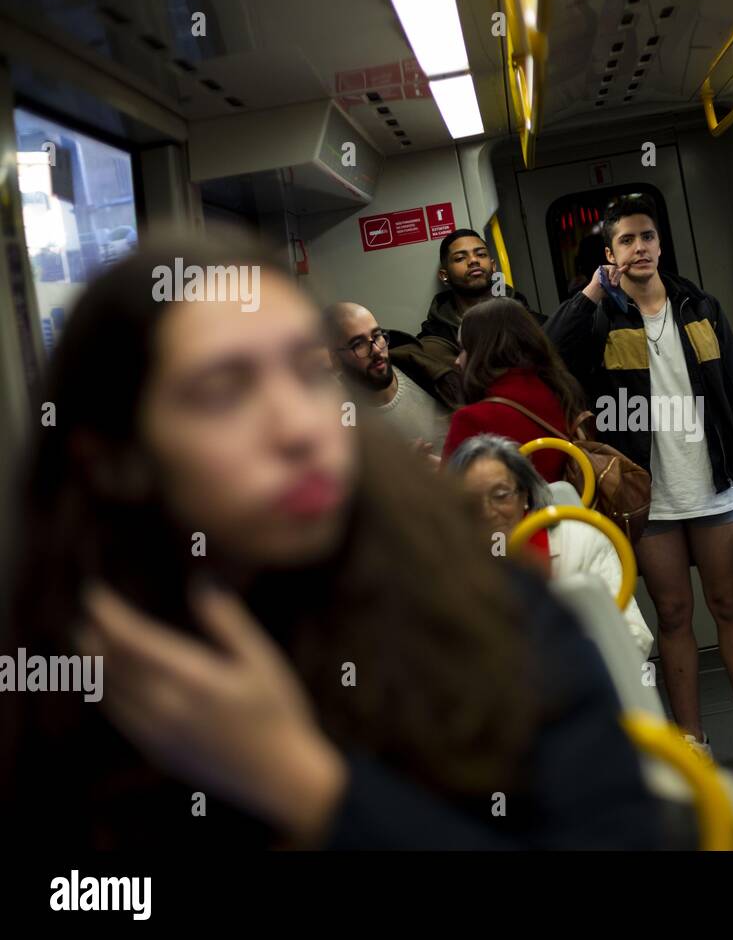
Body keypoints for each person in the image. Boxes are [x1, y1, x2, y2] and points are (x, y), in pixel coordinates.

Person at [0, 230, 663, 850]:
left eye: (308, 374)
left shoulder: (487, 597)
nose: (298, 429)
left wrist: (305, 786)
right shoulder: (75, 681)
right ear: (115, 457)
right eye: (224, 392)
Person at [546, 195, 733, 770]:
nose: (640, 248)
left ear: (660, 244)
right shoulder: (598, 318)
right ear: (609, 255)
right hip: (647, 497)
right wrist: (590, 293)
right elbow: (549, 350)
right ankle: (691, 740)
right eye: (627, 242)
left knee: (729, 606)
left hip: (714, 485)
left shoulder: (699, 306)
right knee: (675, 615)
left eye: (647, 237)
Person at [448, 434, 654, 660]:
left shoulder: (581, 542)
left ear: (524, 495)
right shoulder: (447, 561)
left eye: (500, 496)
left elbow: (635, 638)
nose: (487, 511)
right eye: (471, 501)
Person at [441, 297, 587, 484]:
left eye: (464, 349)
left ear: (482, 351)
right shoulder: (561, 390)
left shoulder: (472, 420)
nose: (457, 360)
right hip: (571, 510)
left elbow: (450, 500)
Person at [326, 301, 456, 458]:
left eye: (377, 336)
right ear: (335, 359)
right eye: (358, 344)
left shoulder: (420, 367)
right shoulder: (342, 414)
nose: (376, 350)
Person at [419, 228, 541, 360]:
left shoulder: (530, 322)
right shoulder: (435, 341)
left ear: (493, 266)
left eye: (481, 255)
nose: (473, 260)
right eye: (460, 258)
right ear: (444, 275)